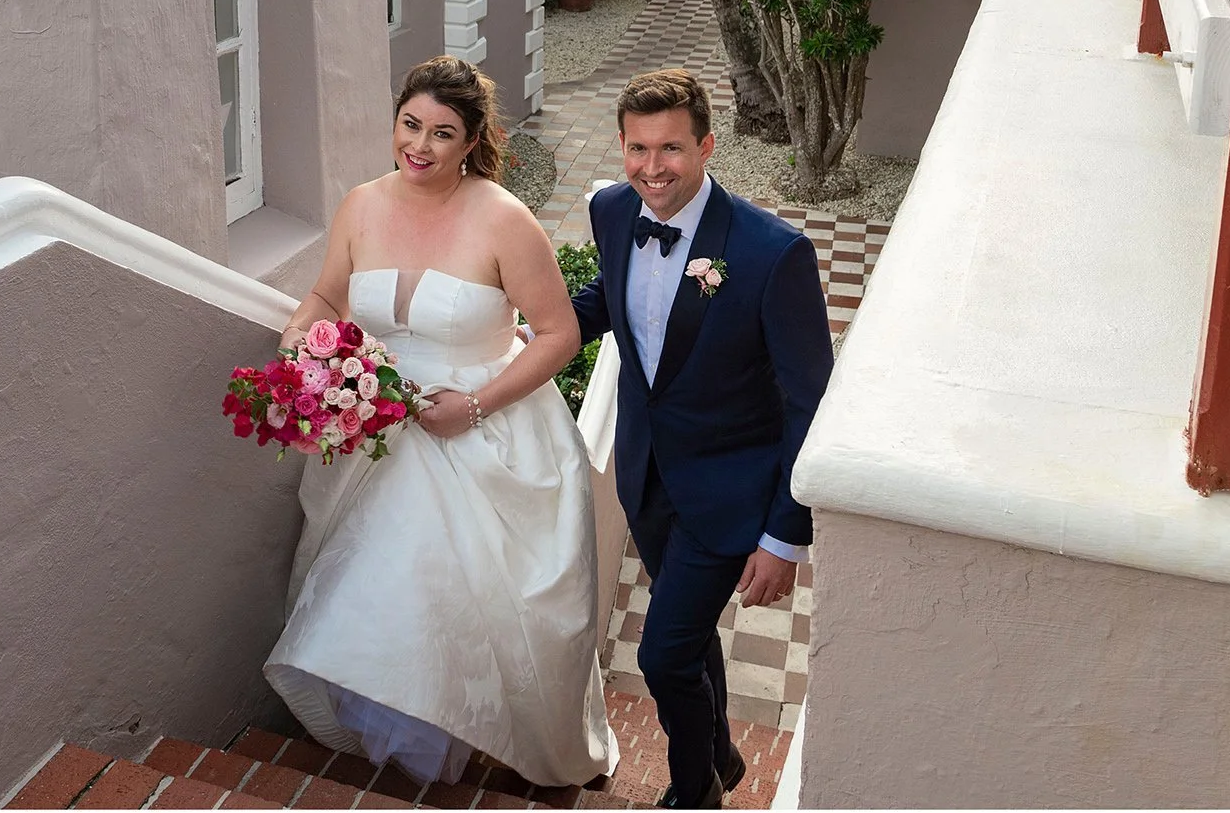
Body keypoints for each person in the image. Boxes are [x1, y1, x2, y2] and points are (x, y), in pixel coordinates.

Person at [265, 56, 617, 790]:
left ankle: (453, 745)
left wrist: (476, 404)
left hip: (483, 428)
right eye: (410, 124)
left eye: (442, 133)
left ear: (470, 141)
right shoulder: (361, 203)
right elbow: (328, 295)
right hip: (382, 429)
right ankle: (392, 754)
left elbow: (558, 334)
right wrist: (301, 344)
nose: (420, 146)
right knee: (385, 590)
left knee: (440, 591)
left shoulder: (504, 219)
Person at [568, 68, 834, 809]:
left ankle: (695, 792)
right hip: (647, 477)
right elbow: (610, 297)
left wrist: (785, 535)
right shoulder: (614, 210)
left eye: (672, 149)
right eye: (637, 148)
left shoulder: (772, 253)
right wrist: (546, 332)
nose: (653, 168)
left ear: (707, 144)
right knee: (687, 640)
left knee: (661, 652)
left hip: (730, 497)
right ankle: (720, 752)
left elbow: (811, 403)